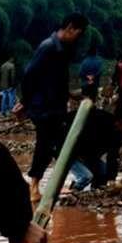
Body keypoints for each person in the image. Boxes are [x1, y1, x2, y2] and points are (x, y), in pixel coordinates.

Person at [18, 12, 88, 204]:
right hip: (44, 108)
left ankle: (49, 184)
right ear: (70, 27)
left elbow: (57, 79)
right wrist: (24, 102)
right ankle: (34, 187)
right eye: (78, 33)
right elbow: (30, 75)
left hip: (55, 106)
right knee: (45, 145)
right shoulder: (48, 47)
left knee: (55, 145)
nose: (78, 38)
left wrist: (71, 95)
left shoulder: (62, 49)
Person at [69, 106, 122, 191]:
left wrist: (111, 179)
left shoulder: (118, 134)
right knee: (86, 176)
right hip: (69, 150)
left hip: (88, 154)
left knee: (103, 173)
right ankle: (73, 192)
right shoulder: (99, 119)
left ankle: (96, 192)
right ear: (121, 122)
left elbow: (113, 156)